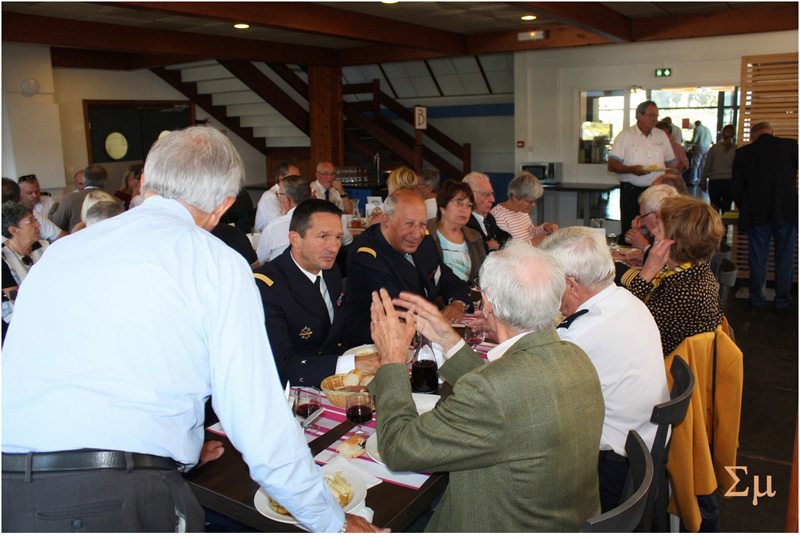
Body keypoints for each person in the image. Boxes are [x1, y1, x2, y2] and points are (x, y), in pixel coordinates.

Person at [1, 126, 381, 533]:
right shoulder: (213, 260)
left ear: (147, 181)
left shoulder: (62, 252)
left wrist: (174, 441)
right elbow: (258, 417)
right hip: (113, 495)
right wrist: (329, 520)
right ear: (223, 206)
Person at [368, 240, 604, 532]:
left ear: (488, 304)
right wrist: (448, 339)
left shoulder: (492, 392)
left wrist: (391, 359)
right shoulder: (576, 356)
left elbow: (397, 448)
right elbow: (511, 395)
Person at [539, 227, 668, 512]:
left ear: (571, 285)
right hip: (646, 450)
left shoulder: (579, 334)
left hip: (614, 473)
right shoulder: (628, 301)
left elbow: (529, 391)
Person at [254, 199, 380, 387]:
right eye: (323, 237)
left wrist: (382, 332)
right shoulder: (266, 287)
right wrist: (353, 364)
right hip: (295, 392)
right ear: (295, 239)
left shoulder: (330, 271)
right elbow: (282, 365)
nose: (334, 247)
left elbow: (339, 331)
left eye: (338, 237)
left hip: (331, 382)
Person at [345, 189, 471, 345]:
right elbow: (400, 308)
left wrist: (458, 302)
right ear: (386, 221)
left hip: (423, 336)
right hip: (379, 345)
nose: (417, 234)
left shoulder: (424, 242)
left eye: (422, 224)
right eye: (409, 224)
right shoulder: (365, 257)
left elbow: (448, 279)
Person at [621, 196, 725, 356]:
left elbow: (623, 322)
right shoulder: (695, 271)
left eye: (659, 228)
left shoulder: (682, 292)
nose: (653, 231)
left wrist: (648, 270)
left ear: (674, 241)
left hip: (665, 369)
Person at [732, 121, 799, 311]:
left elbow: (736, 187)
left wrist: (744, 206)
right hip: (786, 210)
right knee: (785, 256)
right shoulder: (790, 146)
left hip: (757, 213)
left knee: (758, 257)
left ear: (753, 136)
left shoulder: (744, 153)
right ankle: (783, 300)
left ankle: (756, 298)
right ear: (772, 132)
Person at [608, 100, 677, 244]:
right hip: (632, 191)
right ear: (639, 115)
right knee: (631, 230)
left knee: (658, 230)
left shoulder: (661, 136)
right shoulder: (626, 136)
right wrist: (632, 170)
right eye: (651, 115)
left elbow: (671, 163)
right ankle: (629, 261)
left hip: (657, 192)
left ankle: (653, 258)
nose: (655, 119)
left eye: (657, 116)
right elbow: (612, 165)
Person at [426, 179, 486, 284]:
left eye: (469, 205)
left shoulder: (475, 237)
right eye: (459, 203)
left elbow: (483, 275)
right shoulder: (426, 233)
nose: (464, 209)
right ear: (442, 207)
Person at [1, 201, 49, 324]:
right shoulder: (3, 258)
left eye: (35, 220)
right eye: (31, 221)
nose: (38, 224)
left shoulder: (46, 247)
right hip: (17, 318)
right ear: (13, 230)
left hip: (48, 309)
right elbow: (15, 297)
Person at [489, 171, 557, 245]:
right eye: (529, 202)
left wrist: (544, 228)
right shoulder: (499, 216)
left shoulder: (522, 211)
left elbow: (531, 233)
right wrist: (535, 241)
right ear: (515, 197)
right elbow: (507, 247)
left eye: (534, 201)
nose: (533, 205)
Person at [621, 183, 680, 267]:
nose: (643, 222)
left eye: (643, 216)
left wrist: (644, 246)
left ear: (656, 216)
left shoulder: (678, 236)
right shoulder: (679, 227)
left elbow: (673, 270)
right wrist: (645, 259)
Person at [256, 174, 310, 263]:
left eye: (279, 195)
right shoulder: (322, 221)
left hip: (280, 275)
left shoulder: (274, 227)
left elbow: (260, 260)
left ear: (287, 199)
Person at [49, 164, 109, 232]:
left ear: (85, 180)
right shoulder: (115, 201)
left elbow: (52, 226)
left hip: (76, 240)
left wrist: (56, 204)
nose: (82, 187)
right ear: (105, 181)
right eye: (80, 184)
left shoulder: (70, 199)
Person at [2, 178, 64, 242]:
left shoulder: (46, 201)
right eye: (29, 193)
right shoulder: (30, 215)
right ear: (20, 197)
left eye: (37, 191)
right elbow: (62, 239)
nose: (38, 224)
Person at [463, 171, 511, 252]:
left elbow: (508, 238)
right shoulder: (465, 221)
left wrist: (494, 243)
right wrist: (488, 245)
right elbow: (476, 249)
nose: (493, 200)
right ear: (470, 195)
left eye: (492, 194)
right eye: (486, 195)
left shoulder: (489, 218)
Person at [254, 162, 300, 233]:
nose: (298, 182)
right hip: (270, 237)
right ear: (281, 178)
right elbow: (280, 224)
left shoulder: (293, 193)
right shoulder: (269, 197)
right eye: (294, 178)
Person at [701, 124, 736, 213]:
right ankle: (725, 225)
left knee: (714, 207)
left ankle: (715, 225)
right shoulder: (736, 149)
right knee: (726, 206)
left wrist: (703, 181)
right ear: (734, 135)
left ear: (722, 134)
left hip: (715, 181)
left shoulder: (714, 148)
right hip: (730, 181)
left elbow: (707, 166)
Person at [690, 120, 713, 185]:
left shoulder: (697, 128)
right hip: (707, 147)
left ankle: (693, 180)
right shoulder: (707, 129)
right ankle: (702, 180)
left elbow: (695, 139)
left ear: (696, 124)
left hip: (699, 147)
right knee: (703, 164)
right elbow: (711, 139)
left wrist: (692, 144)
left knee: (696, 164)